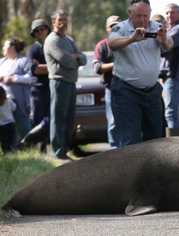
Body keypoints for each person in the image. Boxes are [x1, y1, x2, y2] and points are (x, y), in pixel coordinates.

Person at [108, 0, 173, 146]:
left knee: (155, 140)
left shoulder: (156, 26)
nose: (142, 19)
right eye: (138, 16)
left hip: (152, 92)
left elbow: (169, 45)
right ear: (129, 13)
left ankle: (150, 170)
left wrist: (163, 40)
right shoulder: (120, 28)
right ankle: (129, 169)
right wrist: (132, 38)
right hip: (127, 91)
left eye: (146, 15)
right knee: (131, 140)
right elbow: (111, 43)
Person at [44, 9, 87, 160]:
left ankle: (64, 150)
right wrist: (75, 58)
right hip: (59, 82)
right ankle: (57, 153)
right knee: (59, 118)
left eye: (64, 19)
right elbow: (67, 61)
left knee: (69, 120)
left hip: (70, 83)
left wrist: (75, 57)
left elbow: (84, 59)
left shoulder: (68, 40)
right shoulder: (52, 40)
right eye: (60, 19)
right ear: (53, 22)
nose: (63, 21)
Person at [0, 38, 33, 142]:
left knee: (23, 127)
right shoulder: (1, 61)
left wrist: (14, 78)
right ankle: (11, 151)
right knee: (6, 129)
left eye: (5, 46)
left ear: (12, 47)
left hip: (18, 101)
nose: (3, 48)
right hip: (2, 102)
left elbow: (31, 78)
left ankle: (31, 148)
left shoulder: (23, 61)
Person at [21, 19, 52, 152]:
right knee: (38, 120)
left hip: (52, 88)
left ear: (47, 29)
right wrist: (55, 66)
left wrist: (43, 66)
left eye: (42, 29)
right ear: (34, 33)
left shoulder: (53, 44)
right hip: (37, 89)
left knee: (50, 120)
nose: (40, 32)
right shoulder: (32, 49)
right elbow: (35, 70)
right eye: (37, 30)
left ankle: (24, 143)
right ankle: (41, 150)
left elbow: (41, 68)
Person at [92, 15, 121, 149]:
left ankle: (128, 151)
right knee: (113, 122)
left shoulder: (127, 42)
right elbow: (97, 67)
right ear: (106, 28)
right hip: (110, 88)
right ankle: (114, 152)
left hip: (129, 87)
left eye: (117, 26)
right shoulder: (102, 45)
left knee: (129, 121)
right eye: (112, 26)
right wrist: (115, 65)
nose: (114, 28)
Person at [159, 3, 179, 137]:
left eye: (172, 12)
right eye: (167, 13)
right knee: (175, 113)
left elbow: (166, 46)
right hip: (168, 76)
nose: (169, 15)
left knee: (171, 113)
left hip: (173, 76)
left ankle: (175, 150)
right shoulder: (170, 29)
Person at [0, 85, 17, 154]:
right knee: (12, 138)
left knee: (3, 140)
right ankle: (13, 150)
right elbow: (14, 108)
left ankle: (5, 152)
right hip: (10, 123)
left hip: (1, 125)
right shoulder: (9, 102)